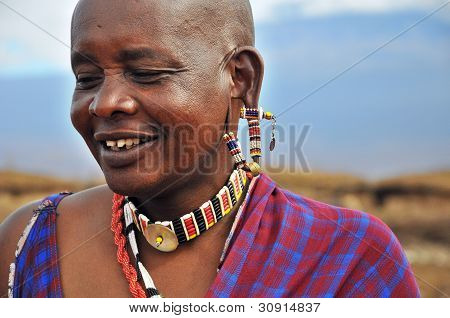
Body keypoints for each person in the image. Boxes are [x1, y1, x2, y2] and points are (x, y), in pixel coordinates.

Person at [0, 0, 420, 298]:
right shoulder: (30, 243)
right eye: (87, 77)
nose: (105, 102)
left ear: (240, 79)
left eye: (146, 73)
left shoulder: (346, 258)